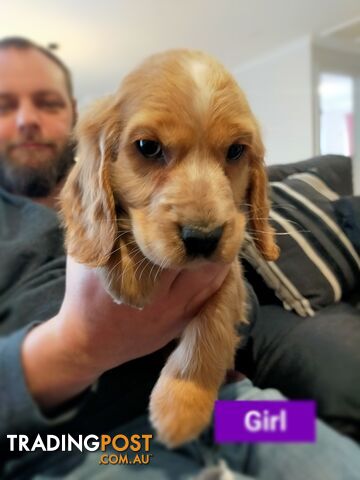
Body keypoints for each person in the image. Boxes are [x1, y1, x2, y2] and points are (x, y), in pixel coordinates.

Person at [0, 37, 360, 480]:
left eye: (47, 102)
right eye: (4, 105)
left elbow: (237, 308)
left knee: (338, 458)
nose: (26, 119)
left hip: (232, 405)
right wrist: (78, 344)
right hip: (83, 441)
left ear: (72, 111)